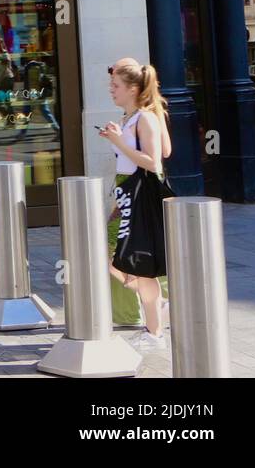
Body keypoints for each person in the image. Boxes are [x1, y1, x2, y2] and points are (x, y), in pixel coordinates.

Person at [99, 58, 172, 352]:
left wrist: (119, 141)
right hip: (127, 193)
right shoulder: (133, 118)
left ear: (131, 88)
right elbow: (163, 150)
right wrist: (118, 137)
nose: (111, 90)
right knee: (118, 258)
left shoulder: (145, 117)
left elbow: (155, 160)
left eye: (115, 85)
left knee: (129, 260)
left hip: (138, 195)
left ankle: (154, 328)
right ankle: (156, 311)